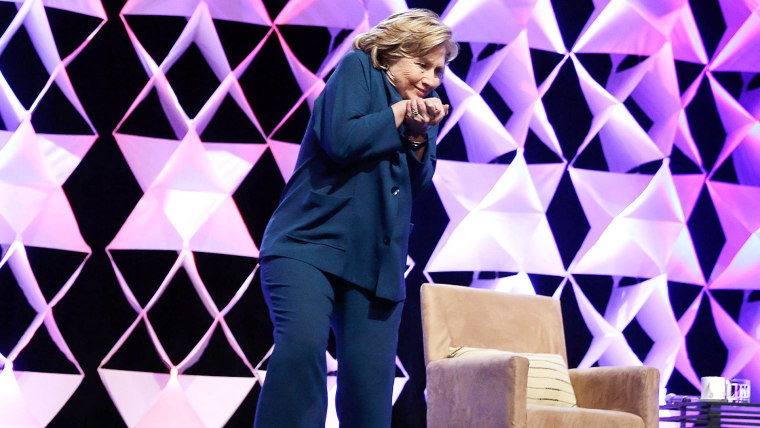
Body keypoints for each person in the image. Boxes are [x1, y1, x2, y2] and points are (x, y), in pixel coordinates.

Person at [254, 9, 458, 428]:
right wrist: (402, 115)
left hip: (377, 265)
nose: (432, 79)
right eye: (422, 64)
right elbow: (342, 141)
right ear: (392, 53)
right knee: (300, 352)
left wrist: (419, 136)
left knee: (371, 394)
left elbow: (417, 185)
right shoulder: (358, 69)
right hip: (309, 246)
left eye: (438, 70)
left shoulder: (419, 113)